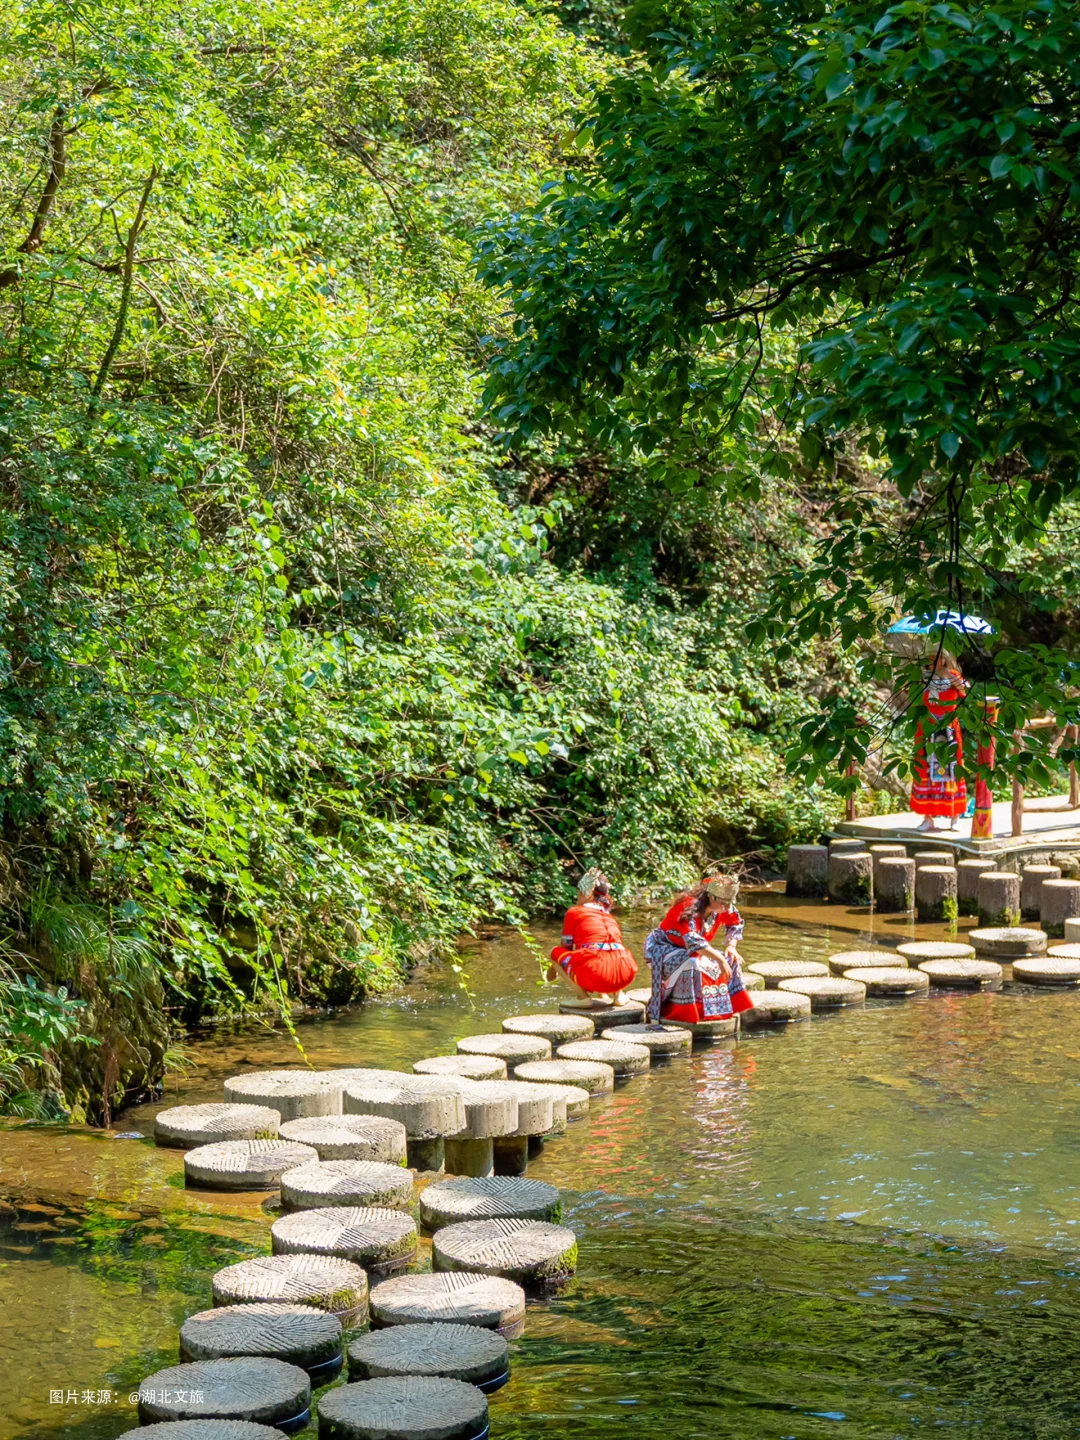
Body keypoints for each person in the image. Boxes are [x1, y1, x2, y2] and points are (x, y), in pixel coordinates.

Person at [644, 875, 754, 1025]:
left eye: (729, 903)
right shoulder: (689, 908)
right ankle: (684, 1010)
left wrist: (731, 946)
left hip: (692, 950)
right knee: (692, 963)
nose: (727, 908)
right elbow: (694, 942)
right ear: (712, 897)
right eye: (724, 903)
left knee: (731, 959)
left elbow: (736, 924)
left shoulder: (722, 908)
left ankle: (718, 1009)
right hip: (662, 948)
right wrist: (719, 959)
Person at [547, 869, 638, 1006]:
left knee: (555, 953)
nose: (578, 896)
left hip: (596, 973)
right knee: (610, 951)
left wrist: (552, 968)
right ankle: (619, 995)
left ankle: (583, 998)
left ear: (588, 894)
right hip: (626, 974)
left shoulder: (575, 912)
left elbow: (565, 948)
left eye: (580, 892)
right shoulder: (609, 916)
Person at [911, 650, 968, 832]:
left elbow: (964, 691)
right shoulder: (923, 677)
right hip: (927, 727)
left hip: (948, 726)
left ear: (945, 659)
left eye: (939, 658)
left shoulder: (953, 675)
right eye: (931, 659)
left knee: (951, 768)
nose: (935, 662)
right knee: (926, 769)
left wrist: (947, 675)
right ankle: (928, 818)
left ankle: (955, 816)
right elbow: (914, 697)